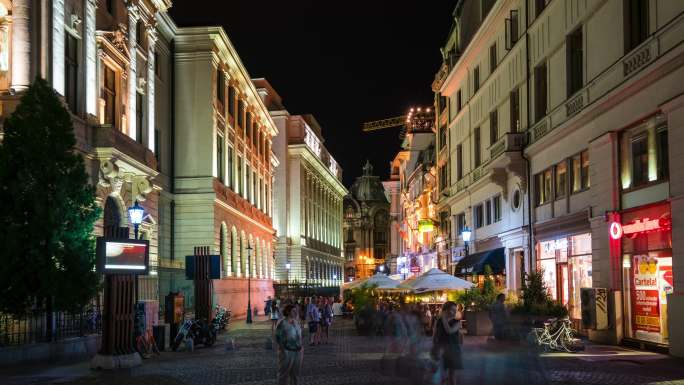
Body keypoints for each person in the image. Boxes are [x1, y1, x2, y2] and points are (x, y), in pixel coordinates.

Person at [432, 301, 463, 385]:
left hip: (453, 349)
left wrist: (444, 319)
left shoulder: (457, 322)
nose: (454, 312)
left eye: (455, 310)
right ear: (445, 310)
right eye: (452, 310)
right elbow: (434, 334)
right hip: (441, 349)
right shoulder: (438, 321)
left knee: (452, 374)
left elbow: (449, 331)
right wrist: (434, 347)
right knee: (441, 373)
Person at [275, 304, 303, 385]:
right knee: (283, 374)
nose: (296, 312)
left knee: (295, 375)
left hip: (297, 352)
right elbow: (278, 338)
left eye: (296, 311)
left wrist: (301, 349)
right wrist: (283, 350)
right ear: (287, 311)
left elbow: (299, 337)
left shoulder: (296, 323)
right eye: (293, 311)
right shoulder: (282, 323)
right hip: (287, 352)